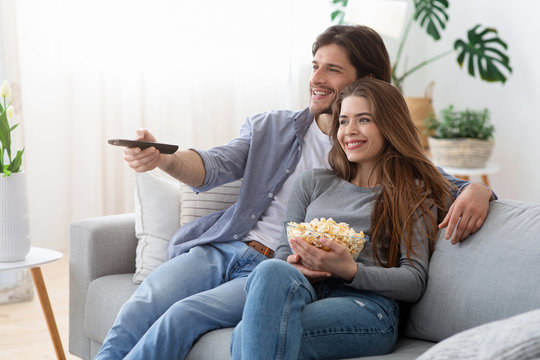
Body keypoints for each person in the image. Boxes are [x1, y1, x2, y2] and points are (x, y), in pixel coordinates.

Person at [95, 25, 494, 359]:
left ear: (367, 82)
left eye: (332, 70)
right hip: (227, 246)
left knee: (186, 314)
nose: (317, 79)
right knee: (145, 303)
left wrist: (478, 190)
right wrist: (162, 158)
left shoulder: (391, 172)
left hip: (281, 270)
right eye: (315, 66)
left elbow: (434, 182)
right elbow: (214, 165)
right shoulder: (276, 131)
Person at [231, 78, 454, 359]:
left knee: (249, 335)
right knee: (268, 271)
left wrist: (350, 270)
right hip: (307, 292)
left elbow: (414, 280)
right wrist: (303, 264)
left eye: (363, 120)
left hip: (368, 307)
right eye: (344, 121)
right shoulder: (312, 183)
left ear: (390, 125)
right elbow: (283, 255)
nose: (350, 131)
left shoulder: (412, 193)